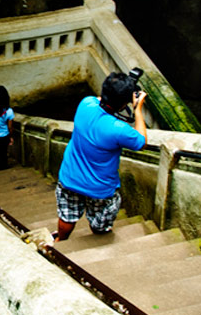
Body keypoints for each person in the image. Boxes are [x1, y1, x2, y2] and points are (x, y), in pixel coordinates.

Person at [53, 72, 147, 241]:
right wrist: (138, 109)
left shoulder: (85, 104)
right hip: (100, 188)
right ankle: (98, 236)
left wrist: (117, 92)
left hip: (70, 177)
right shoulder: (119, 129)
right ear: (124, 103)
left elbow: (99, 100)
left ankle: (61, 240)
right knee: (100, 221)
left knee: (67, 215)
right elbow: (141, 142)